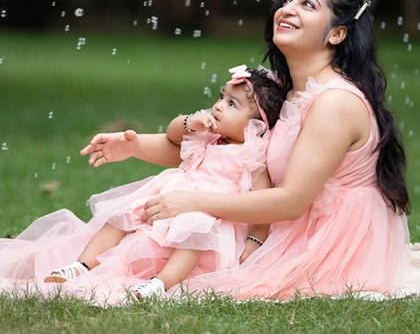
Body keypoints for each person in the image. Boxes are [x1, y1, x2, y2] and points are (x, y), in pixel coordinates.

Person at [82, 0, 413, 300]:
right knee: (145, 238)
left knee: (173, 251)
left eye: (307, 5)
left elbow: (292, 202)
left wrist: (194, 202)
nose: (288, 9)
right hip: (271, 217)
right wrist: (132, 146)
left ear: (336, 34)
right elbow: (219, 152)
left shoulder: (334, 103)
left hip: (327, 239)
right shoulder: (281, 89)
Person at [0, 67, 284, 302]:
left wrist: (254, 241)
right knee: (121, 217)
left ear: (256, 125)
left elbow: (261, 205)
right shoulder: (207, 133)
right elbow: (173, 132)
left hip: (208, 213)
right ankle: (83, 264)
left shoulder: (253, 155)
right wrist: (189, 122)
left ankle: (159, 285)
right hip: (172, 191)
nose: (219, 106)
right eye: (222, 97)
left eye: (232, 105)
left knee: (192, 240)